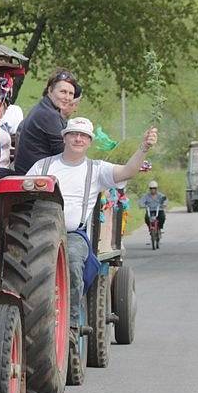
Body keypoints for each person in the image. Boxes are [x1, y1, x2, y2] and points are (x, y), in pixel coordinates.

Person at [26, 117, 158, 343]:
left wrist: (143, 148)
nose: (78, 139)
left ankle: (70, 325)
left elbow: (127, 171)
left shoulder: (96, 169)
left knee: (74, 262)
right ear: (64, 137)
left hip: (72, 235)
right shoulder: (42, 166)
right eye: (74, 134)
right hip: (39, 233)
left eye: (84, 136)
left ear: (89, 142)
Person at [14, 68, 82, 175]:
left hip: (34, 172)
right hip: (36, 179)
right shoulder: (49, 115)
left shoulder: (44, 107)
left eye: (71, 93)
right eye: (63, 92)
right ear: (50, 90)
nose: (67, 98)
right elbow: (65, 154)